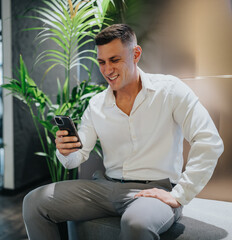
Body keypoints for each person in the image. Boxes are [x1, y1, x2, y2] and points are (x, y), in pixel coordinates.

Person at [22, 24, 224, 240]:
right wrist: (64, 150)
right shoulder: (96, 104)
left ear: (135, 54)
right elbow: (75, 159)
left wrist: (181, 194)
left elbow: (209, 140)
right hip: (105, 187)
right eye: (101, 62)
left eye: (115, 60)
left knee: (136, 224)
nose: (107, 70)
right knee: (34, 202)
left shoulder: (170, 90)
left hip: (153, 192)